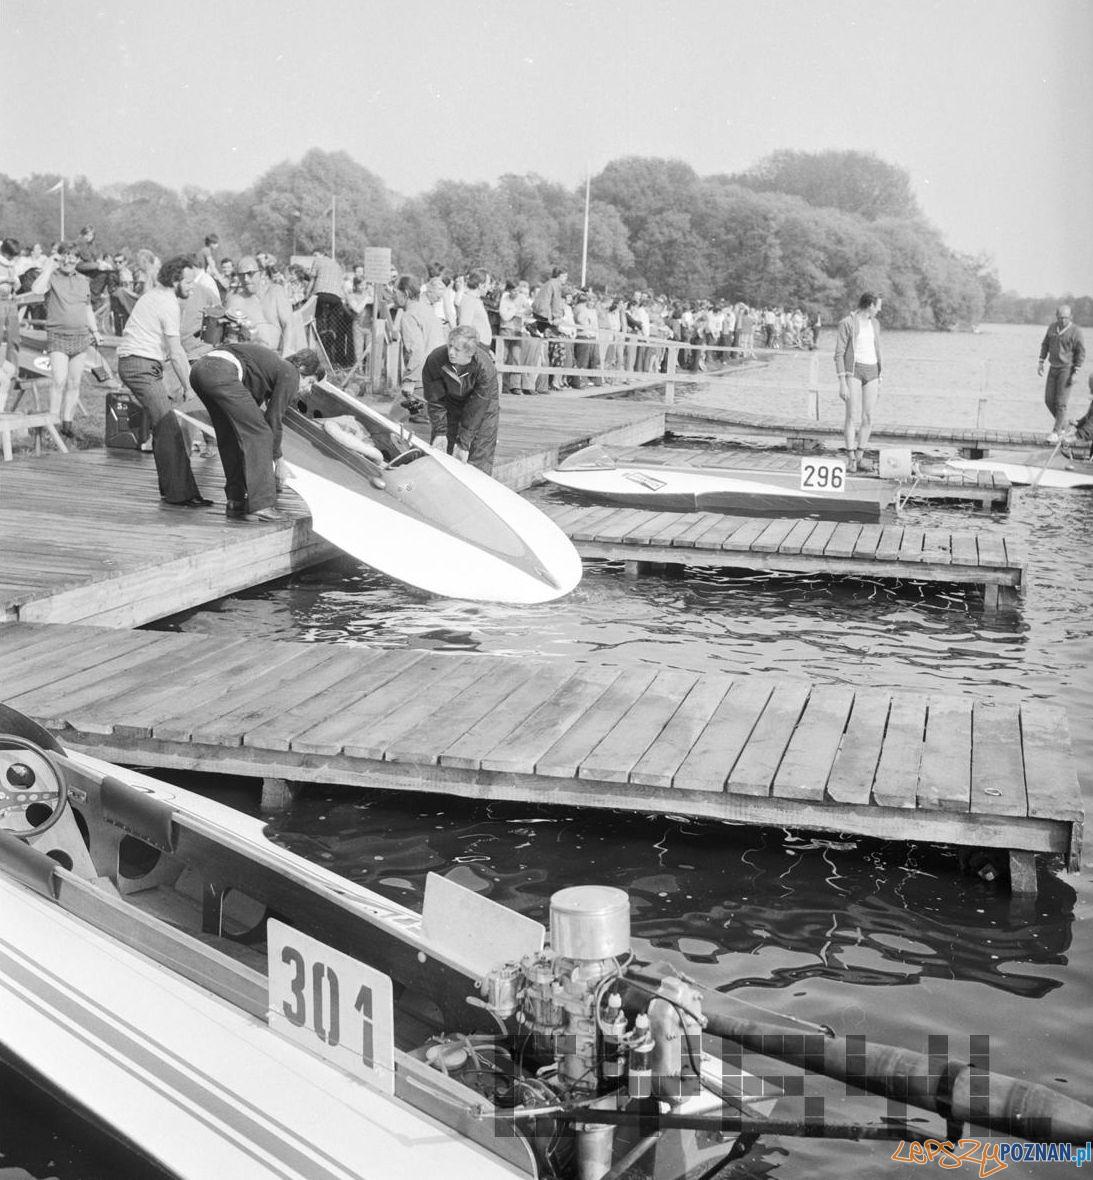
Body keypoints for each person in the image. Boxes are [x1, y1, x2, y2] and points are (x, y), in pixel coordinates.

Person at [115, 255, 209, 508]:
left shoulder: (155, 295)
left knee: (165, 425)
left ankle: (177, 491)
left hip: (144, 364)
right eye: (188, 281)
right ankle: (180, 495)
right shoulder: (167, 303)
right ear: (174, 279)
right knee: (168, 426)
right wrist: (190, 388)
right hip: (139, 366)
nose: (192, 286)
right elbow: (177, 353)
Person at [189, 343, 320, 522]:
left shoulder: (271, 366)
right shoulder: (291, 373)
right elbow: (273, 421)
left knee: (229, 434)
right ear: (302, 368)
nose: (307, 389)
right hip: (221, 371)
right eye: (310, 381)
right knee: (261, 434)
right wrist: (279, 461)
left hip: (199, 369)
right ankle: (262, 505)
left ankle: (235, 500)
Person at [30, 242, 102, 437]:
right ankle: (52, 421)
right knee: (59, 380)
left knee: (74, 382)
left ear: (78, 260)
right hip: (57, 335)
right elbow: (36, 290)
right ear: (60, 257)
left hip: (80, 336)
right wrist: (49, 267)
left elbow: (87, 308)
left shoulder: (83, 280)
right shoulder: (52, 277)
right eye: (66, 256)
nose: (70, 260)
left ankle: (67, 424)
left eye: (74, 257)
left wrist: (95, 331)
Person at [420, 324, 500, 474]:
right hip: (450, 400)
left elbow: (477, 408)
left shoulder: (485, 368)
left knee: (479, 451)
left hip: (483, 406)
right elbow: (435, 399)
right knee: (442, 447)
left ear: (469, 353)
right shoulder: (435, 360)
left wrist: (464, 443)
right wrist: (440, 431)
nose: (451, 352)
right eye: (450, 346)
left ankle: (478, 482)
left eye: (457, 350)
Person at [834, 292, 884, 472]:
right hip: (853, 371)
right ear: (870, 305)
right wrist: (842, 382)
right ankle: (851, 458)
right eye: (878, 306)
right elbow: (839, 354)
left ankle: (861, 456)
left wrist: (880, 376)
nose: (879, 309)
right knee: (851, 416)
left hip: (872, 372)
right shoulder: (847, 323)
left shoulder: (875, 324)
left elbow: (877, 349)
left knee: (868, 416)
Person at [393, 274, 445, 415]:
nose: (393, 297)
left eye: (394, 292)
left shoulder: (409, 316)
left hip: (420, 378)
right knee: (426, 421)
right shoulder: (426, 310)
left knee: (392, 421)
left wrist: (409, 380)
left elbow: (416, 351)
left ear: (405, 293)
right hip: (437, 373)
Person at [1038, 304, 1086, 442]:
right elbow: (1045, 344)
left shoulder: (1076, 331)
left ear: (1071, 317)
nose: (1062, 320)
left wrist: (1076, 371)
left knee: (1061, 403)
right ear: (1056, 317)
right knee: (1048, 400)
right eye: (1060, 318)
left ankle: (1056, 431)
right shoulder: (1052, 327)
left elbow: (1081, 352)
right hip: (1053, 368)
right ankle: (1064, 426)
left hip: (1067, 368)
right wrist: (1041, 361)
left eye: (1065, 318)